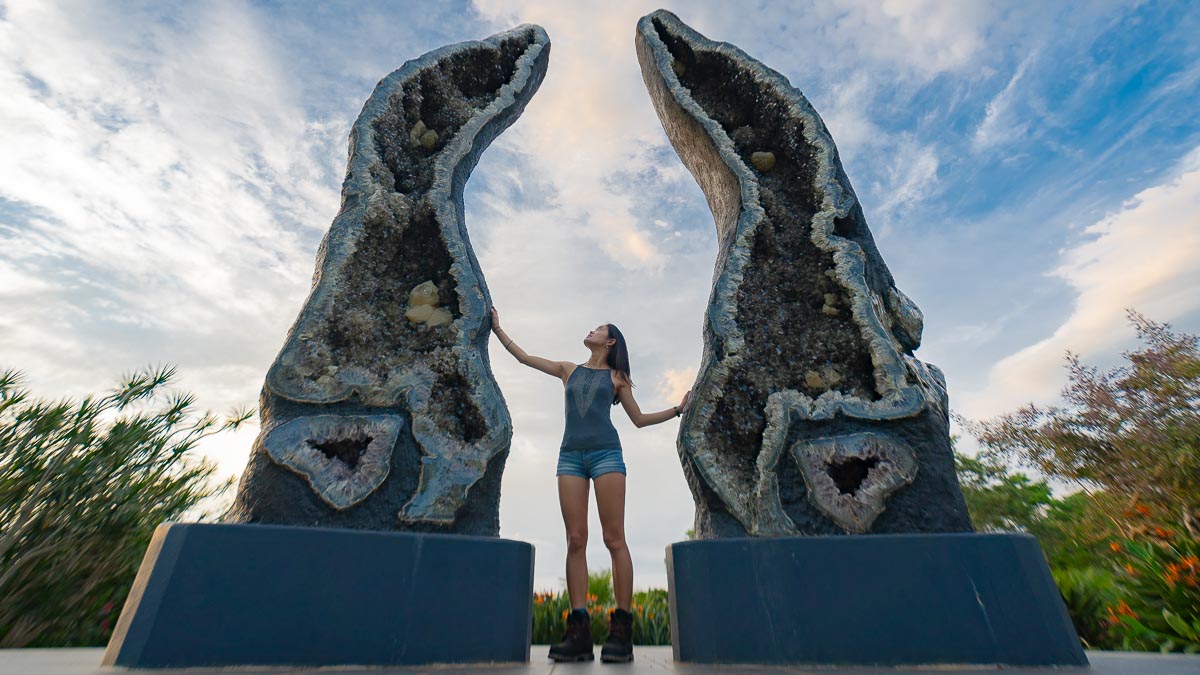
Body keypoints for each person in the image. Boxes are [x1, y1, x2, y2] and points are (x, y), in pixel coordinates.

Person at [490, 307, 690, 663]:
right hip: (570, 458)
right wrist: (497, 328)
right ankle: (579, 631)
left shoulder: (617, 378)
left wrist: (677, 409)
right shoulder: (569, 369)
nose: (591, 329)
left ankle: (621, 631)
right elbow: (523, 359)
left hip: (607, 457)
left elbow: (640, 419)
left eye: (599, 328)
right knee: (576, 539)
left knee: (614, 538)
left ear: (610, 341)